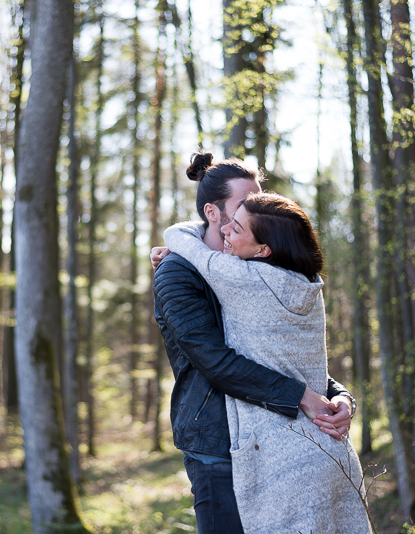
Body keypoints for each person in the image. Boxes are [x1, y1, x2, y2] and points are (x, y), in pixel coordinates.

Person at [152, 152, 358, 534]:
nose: (254, 211)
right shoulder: (177, 274)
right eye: (242, 205)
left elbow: (287, 352)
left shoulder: (259, 264)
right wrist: (302, 396)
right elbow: (214, 361)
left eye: (256, 200)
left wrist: (340, 396)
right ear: (212, 213)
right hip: (217, 445)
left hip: (279, 442)